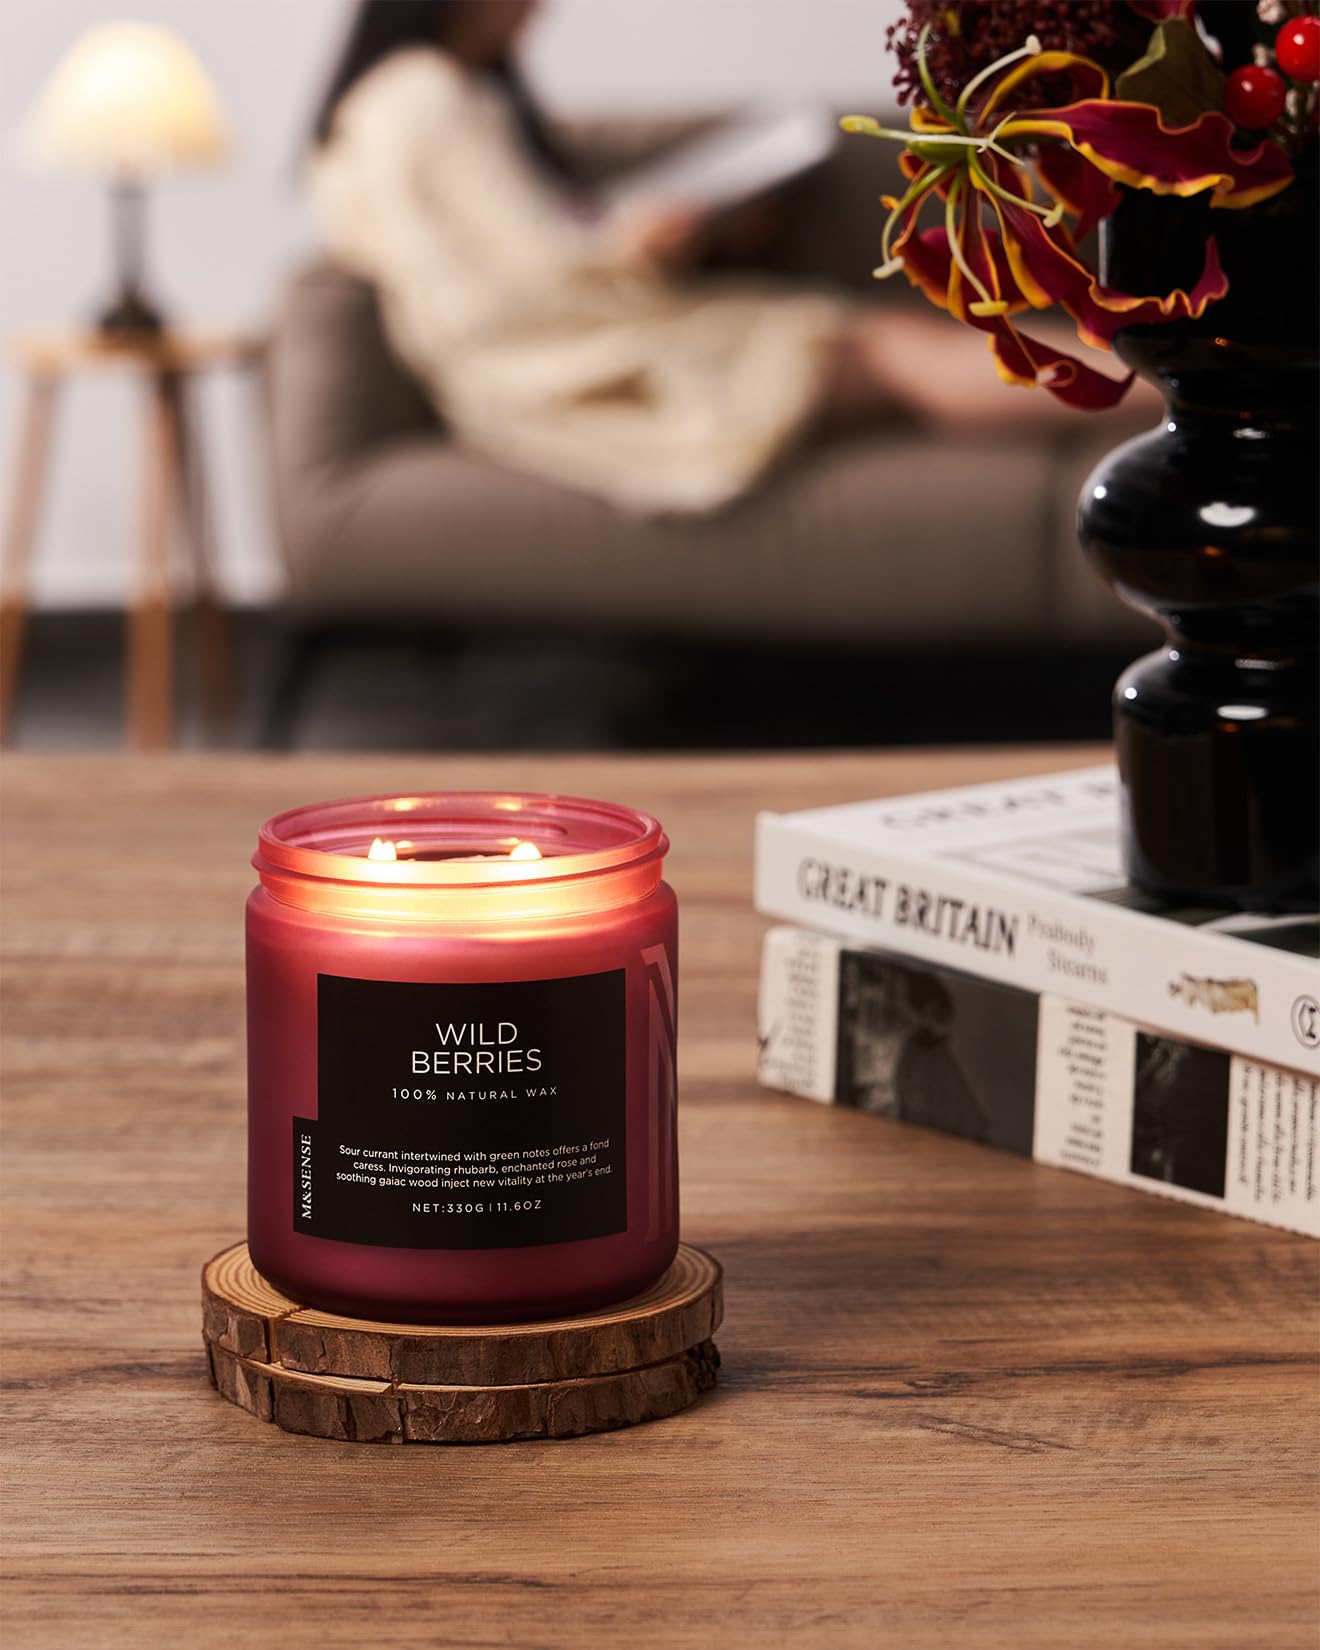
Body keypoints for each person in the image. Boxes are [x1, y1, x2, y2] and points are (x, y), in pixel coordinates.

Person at [305, 1, 1081, 516]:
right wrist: (633, 248)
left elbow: (522, 238)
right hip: (561, 358)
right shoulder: (424, 97)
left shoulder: (437, 95)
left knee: (895, 342)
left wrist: (666, 237)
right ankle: (1176, 391)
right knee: (896, 351)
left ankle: (1165, 387)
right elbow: (519, 275)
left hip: (580, 329)